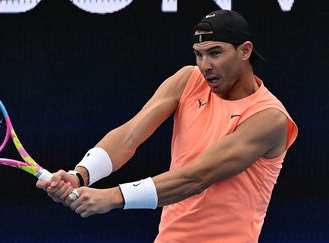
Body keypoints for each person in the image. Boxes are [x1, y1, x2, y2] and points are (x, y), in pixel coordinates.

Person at [37, 9, 298, 242]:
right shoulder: (188, 80)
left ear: (245, 51)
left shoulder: (269, 118)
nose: (206, 66)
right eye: (199, 55)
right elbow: (129, 135)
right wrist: (80, 174)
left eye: (215, 53)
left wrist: (113, 197)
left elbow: (196, 177)